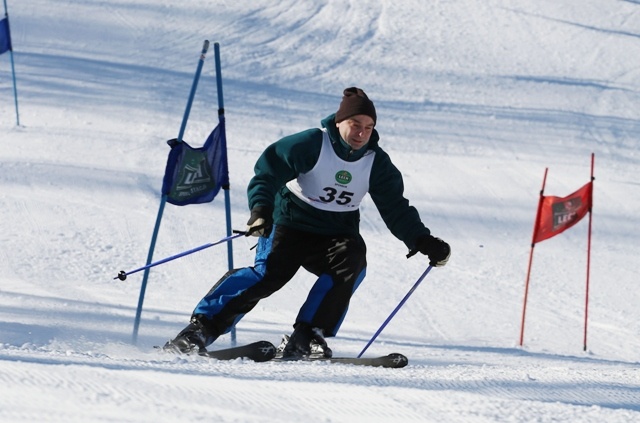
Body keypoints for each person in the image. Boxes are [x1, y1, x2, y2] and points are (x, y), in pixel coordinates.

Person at [163, 87, 451, 358]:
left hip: (335, 232)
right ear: (339, 123)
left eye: (368, 127)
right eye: (355, 124)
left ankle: (308, 334)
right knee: (270, 273)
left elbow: (395, 207)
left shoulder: (376, 162)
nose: (361, 133)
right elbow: (268, 172)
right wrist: (261, 209)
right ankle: (200, 330)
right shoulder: (313, 143)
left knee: (351, 263)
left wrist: (422, 240)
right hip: (289, 222)